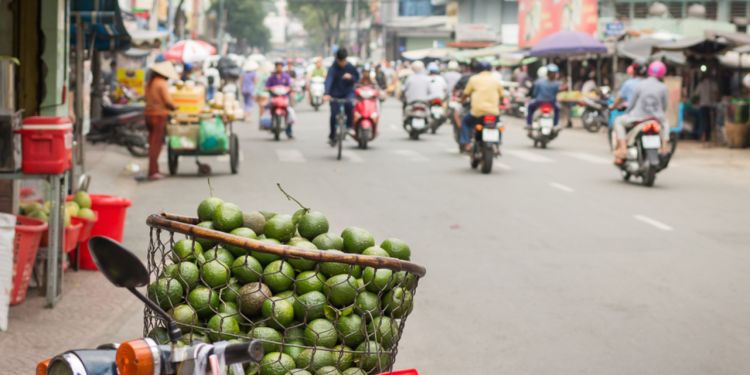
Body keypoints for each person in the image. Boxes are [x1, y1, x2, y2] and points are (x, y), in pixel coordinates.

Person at [612, 61, 670, 164]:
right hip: (656, 118)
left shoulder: (640, 85)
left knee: (618, 121)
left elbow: (632, 103)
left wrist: (628, 112)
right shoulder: (663, 87)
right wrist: (659, 114)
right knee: (666, 124)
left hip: (638, 117)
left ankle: (623, 148)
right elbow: (664, 106)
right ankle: (664, 147)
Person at [459, 61, 505, 152]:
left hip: (477, 112)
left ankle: (467, 143)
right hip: (493, 112)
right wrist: (501, 103)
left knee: (465, 122)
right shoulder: (495, 80)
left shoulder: (474, 79)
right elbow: (502, 96)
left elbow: (465, 94)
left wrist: (462, 101)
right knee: (498, 125)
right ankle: (498, 143)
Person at [144, 61, 178, 181]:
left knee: (152, 143)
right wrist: (175, 107)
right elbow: (168, 101)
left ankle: (154, 170)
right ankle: (153, 172)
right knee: (156, 145)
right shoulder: (161, 83)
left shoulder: (150, 83)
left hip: (148, 114)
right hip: (158, 116)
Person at [324, 48, 360, 146]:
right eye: (340, 61)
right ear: (337, 59)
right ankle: (332, 135)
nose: (342, 63)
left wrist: (351, 77)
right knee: (333, 115)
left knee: (349, 105)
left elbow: (357, 77)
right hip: (335, 94)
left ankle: (350, 127)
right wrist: (327, 93)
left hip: (348, 93)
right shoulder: (333, 68)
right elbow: (329, 80)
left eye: (344, 61)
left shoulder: (350, 67)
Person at [526, 64, 562, 129]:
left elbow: (534, 93)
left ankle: (529, 124)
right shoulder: (557, 83)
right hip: (551, 102)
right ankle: (555, 125)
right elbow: (556, 94)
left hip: (539, 102)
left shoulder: (539, 82)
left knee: (530, 107)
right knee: (558, 109)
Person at [266, 60, 295, 138]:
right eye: (277, 66)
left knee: (290, 112)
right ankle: (272, 124)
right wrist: (269, 89)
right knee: (268, 108)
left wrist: (290, 89)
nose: (279, 68)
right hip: (274, 97)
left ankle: (289, 131)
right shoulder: (272, 77)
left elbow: (290, 85)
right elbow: (267, 86)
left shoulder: (286, 76)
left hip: (284, 97)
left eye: (280, 66)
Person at [694, 72, 719, 144]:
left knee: (703, 122)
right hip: (711, 106)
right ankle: (709, 137)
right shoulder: (714, 84)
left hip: (703, 105)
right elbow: (717, 94)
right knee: (710, 122)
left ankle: (703, 137)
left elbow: (696, 95)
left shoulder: (700, 84)